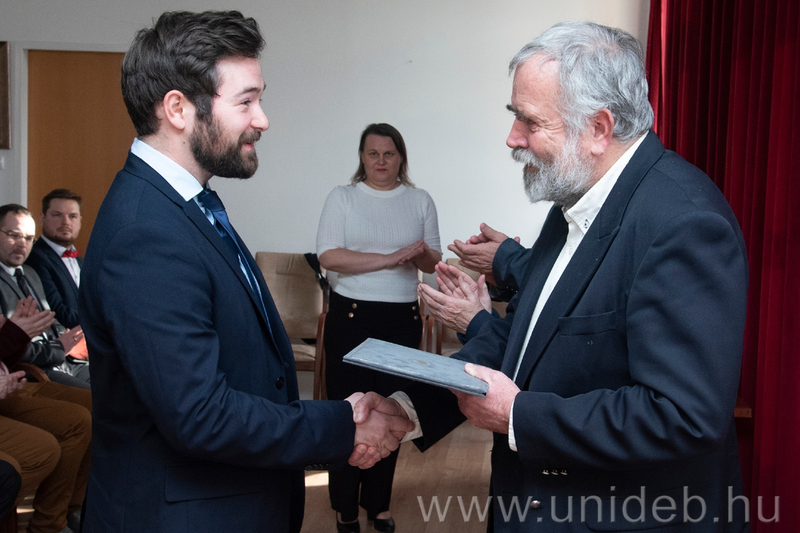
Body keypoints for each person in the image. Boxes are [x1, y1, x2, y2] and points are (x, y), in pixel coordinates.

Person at [358, 21, 749, 531]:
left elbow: (682, 416)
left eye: (530, 121)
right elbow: (523, 344)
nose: (512, 138)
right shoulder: (571, 204)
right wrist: (410, 409)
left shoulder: (685, 224)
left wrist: (519, 417)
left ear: (599, 128)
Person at [78, 11, 411, 533]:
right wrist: (339, 426)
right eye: (246, 101)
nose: (263, 119)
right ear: (178, 109)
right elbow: (199, 415)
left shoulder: (187, 204)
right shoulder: (146, 231)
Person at [316, 123, 442, 533]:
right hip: (351, 319)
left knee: (391, 411)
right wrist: (389, 259)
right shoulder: (343, 197)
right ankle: (345, 508)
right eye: (373, 153)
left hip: (401, 321)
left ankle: (379, 505)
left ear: (401, 157)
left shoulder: (420, 200)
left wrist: (418, 255)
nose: (381, 161)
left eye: (389, 153)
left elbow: (432, 263)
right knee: (350, 414)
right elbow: (329, 257)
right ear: (362, 157)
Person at [0, 296, 92, 533]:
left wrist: (19, 335)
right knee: (45, 446)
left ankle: (64, 515)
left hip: (11, 382)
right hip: (19, 380)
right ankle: (48, 524)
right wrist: (14, 334)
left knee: (93, 408)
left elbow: (7, 356)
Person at [0, 205, 89, 389]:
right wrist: (61, 349)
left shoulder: (30, 272)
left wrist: (73, 338)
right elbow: (12, 345)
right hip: (35, 370)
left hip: (66, 361)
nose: (21, 244)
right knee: (95, 399)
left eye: (28, 238)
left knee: (123, 386)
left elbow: (49, 323)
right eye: (13, 235)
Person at [25, 189, 84, 329]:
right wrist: (101, 324)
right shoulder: (35, 257)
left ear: (80, 221)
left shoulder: (82, 262)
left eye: (72, 216)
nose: (65, 222)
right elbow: (56, 312)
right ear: (42, 218)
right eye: (57, 215)